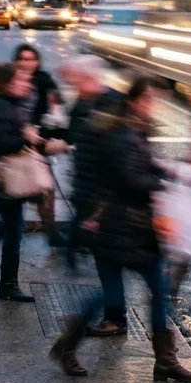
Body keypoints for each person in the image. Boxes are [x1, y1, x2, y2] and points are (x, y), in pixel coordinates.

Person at [49, 76, 191, 383]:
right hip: (122, 226)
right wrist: (162, 183)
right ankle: (68, 344)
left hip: (132, 228)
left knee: (147, 290)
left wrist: (165, 169)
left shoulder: (130, 130)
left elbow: (137, 166)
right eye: (148, 99)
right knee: (114, 295)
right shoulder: (122, 133)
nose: (152, 105)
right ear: (134, 100)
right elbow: (128, 178)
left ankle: (164, 361)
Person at [58, 55, 122, 279]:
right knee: (83, 219)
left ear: (88, 77)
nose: (73, 85)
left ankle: (75, 251)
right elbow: (74, 133)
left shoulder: (113, 102)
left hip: (103, 183)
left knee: (94, 227)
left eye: (75, 80)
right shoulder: (84, 101)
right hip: (88, 179)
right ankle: (73, 253)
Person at [0, 63, 39, 303]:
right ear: (7, 84)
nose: (25, 84)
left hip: (4, 184)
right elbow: (0, 142)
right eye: (19, 80)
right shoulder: (0, 106)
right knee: (13, 231)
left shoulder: (2, 103)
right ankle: (8, 286)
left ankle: (8, 284)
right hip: (2, 184)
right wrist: (25, 140)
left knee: (10, 230)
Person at [13, 44, 65, 246]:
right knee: (13, 190)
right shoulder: (11, 79)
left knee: (46, 189)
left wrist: (46, 134)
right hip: (15, 144)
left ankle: (51, 232)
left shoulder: (44, 80)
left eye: (30, 59)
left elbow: (56, 111)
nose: (26, 63)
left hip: (38, 143)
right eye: (22, 59)